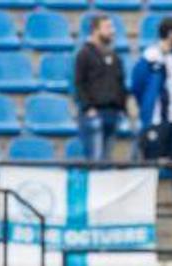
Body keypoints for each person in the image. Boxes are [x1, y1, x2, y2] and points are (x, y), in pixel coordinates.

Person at [131, 16, 172, 220]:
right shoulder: (150, 58)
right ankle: (143, 207)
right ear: (171, 33)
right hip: (157, 120)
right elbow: (137, 86)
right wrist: (148, 110)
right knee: (150, 164)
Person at [74, 15, 127, 162]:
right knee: (95, 160)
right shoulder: (84, 54)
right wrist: (88, 107)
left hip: (113, 113)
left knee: (106, 159)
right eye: (108, 27)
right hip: (94, 114)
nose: (112, 31)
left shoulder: (115, 56)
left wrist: (122, 108)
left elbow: (120, 83)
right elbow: (78, 83)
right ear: (96, 30)